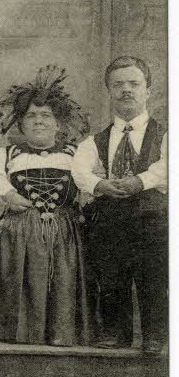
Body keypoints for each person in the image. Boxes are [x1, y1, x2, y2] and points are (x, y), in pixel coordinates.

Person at [0, 65, 91, 347]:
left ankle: (59, 338)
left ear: (58, 122)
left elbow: (91, 184)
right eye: (31, 115)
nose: (38, 121)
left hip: (63, 233)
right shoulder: (5, 155)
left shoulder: (75, 155)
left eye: (46, 115)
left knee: (62, 284)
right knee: (20, 284)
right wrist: (7, 194)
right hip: (18, 234)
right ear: (21, 122)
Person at [71, 55, 168, 355]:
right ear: (109, 92)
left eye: (134, 84)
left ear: (148, 90)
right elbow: (79, 170)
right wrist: (99, 184)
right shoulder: (96, 140)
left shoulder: (165, 134)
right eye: (118, 85)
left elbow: (168, 166)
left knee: (153, 278)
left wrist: (140, 181)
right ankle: (115, 333)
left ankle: (154, 336)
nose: (126, 90)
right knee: (111, 278)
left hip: (152, 221)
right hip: (111, 221)